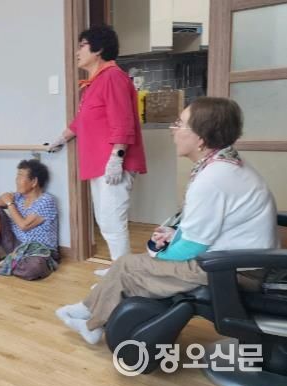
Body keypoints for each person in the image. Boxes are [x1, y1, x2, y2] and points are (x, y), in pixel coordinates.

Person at [56, 97, 279, 345]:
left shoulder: (213, 178)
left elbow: (192, 247)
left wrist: (156, 256)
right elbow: (214, 225)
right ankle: (90, 315)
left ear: (201, 138)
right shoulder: (226, 165)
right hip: (240, 261)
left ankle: (91, 321)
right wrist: (174, 236)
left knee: (129, 266)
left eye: (179, 124)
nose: (173, 130)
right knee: (130, 265)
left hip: (233, 270)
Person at [48, 25, 147, 274]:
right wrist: (60, 139)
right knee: (105, 220)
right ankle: (118, 269)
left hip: (113, 163)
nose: (77, 52)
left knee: (113, 221)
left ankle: (123, 276)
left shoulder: (113, 77)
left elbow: (122, 120)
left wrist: (117, 157)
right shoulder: (94, 84)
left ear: (99, 49)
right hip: (98, 164)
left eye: (82, 45)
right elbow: (81, 122)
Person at [0, 160, 60, 279]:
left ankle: (6, 263)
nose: (16, 181)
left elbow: (24, 226)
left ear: (34, 181)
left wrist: (10, 204)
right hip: (16, 245)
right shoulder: (17, 196)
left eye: (20, 177)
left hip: (38, 250)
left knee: (35, 267)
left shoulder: (46, 201)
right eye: (17, 176)